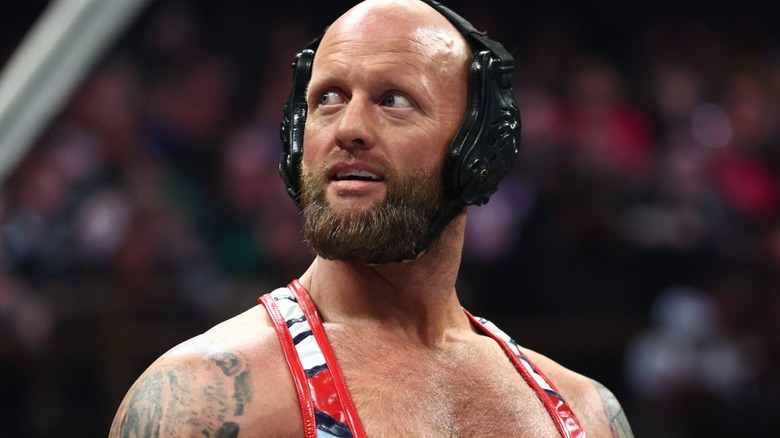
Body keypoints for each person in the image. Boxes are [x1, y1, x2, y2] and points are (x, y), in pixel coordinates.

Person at [109, 0, 634, 436]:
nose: (349, 128)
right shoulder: (205, 403)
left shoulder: (584, 413)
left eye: (394, 100)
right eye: (328, 99)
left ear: (478, 147)